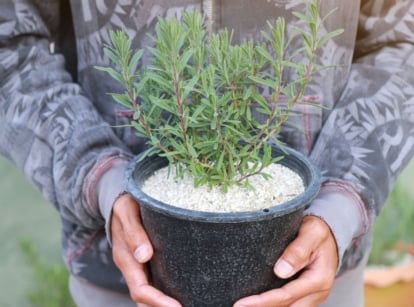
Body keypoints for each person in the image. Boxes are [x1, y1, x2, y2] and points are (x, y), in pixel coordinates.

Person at [1, 0, 413, 306]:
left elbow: (403, 34)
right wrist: (97, 175)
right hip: (121, 280)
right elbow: (10, 42)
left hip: (316, 282)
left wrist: (342, 198)